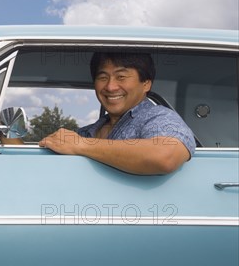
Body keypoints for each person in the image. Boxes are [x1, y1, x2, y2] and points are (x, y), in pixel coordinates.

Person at [37, 52, 195, 175]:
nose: (111, 87)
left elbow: (165, 156)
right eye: (103, 77)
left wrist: (82, 145)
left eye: (121, 77)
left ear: (146, 84)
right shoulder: (86, 132)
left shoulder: (158, 116)